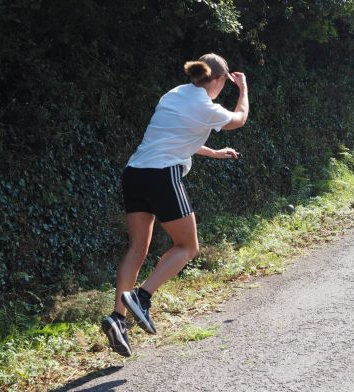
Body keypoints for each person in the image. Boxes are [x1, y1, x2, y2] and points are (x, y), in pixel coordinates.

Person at [101, 53, 249, 357]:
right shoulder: (205, 106)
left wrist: (214, 152)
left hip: (135, 174)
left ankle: (117, 318)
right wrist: (244, 90)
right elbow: (240, 119)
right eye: (225, 85)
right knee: (187, 247)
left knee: (137, 248)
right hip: (162, 175)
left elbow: (180, 136)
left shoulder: (174, 94)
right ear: (219, 80)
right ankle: (142, 297)